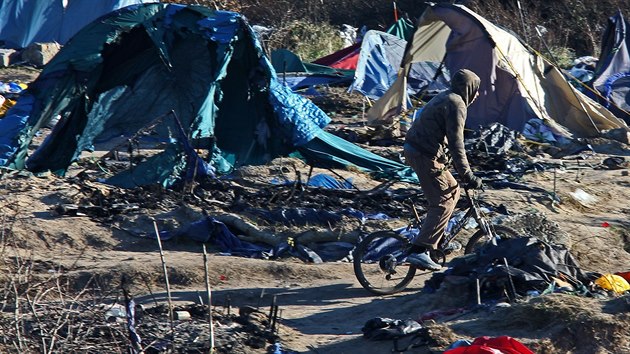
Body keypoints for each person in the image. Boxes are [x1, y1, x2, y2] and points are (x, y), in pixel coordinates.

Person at [403, 68, 483, 271]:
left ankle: (436, 241)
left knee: (454, 189)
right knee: (442, 203)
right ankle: (419, 251)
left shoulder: (447, 96)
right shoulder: (457, 104)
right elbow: (457, 143)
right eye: (477, 90)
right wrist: (468, 174)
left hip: (421, 150)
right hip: (423, 154)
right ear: (470, 89)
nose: (478, 95)